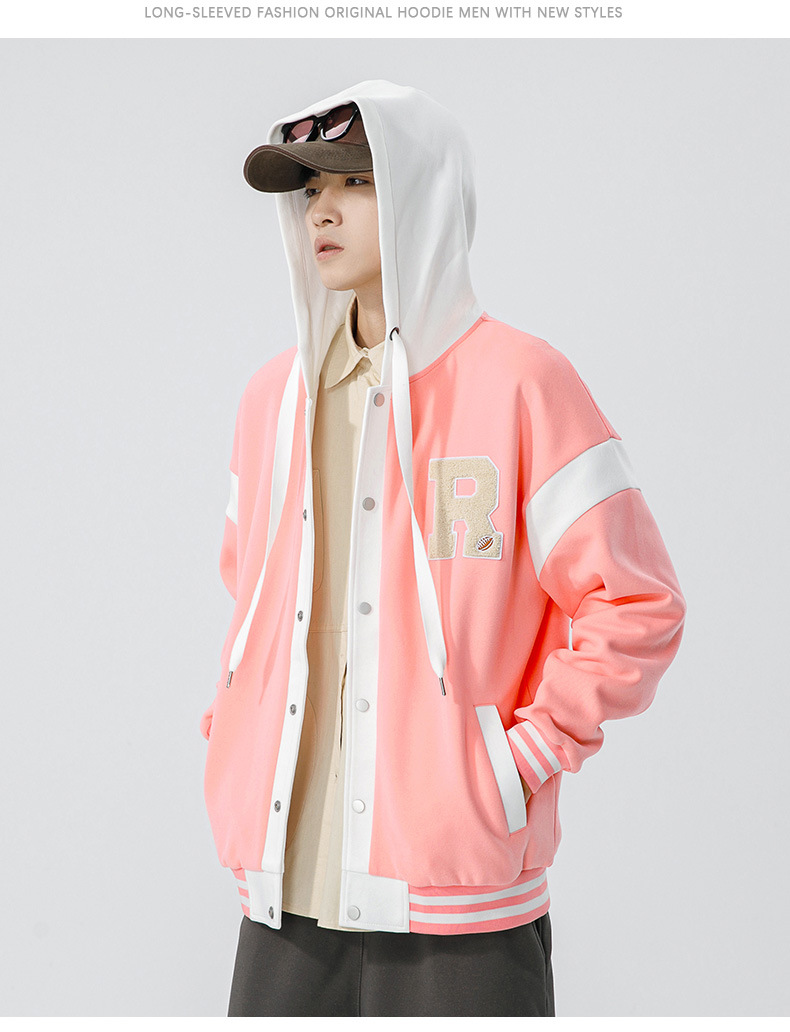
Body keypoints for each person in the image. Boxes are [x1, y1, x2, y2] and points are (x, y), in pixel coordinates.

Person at [200, 80, 686, 1017]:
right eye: (311, 190)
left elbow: (637, 602)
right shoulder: (272, 400)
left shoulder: (522, 383)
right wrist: (233, 727)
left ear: (422, 190)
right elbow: (250, 596)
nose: (322, 211)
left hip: (459, 896)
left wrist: (521, 756)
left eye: (355, 183)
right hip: (282, 881)